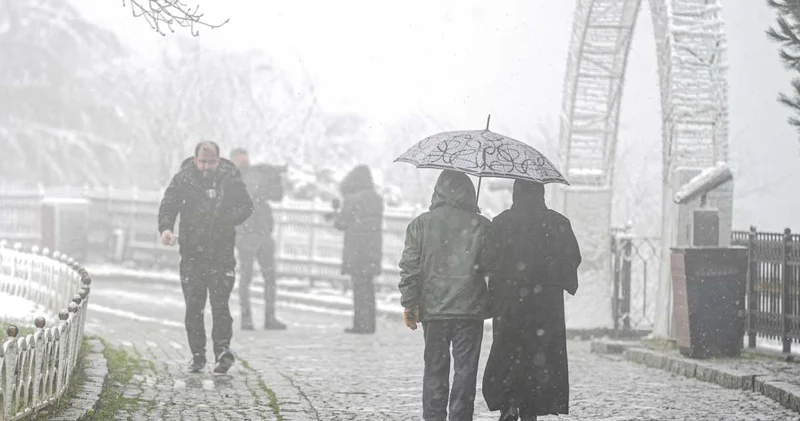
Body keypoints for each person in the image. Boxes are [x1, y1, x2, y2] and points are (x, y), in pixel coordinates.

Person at [482, 180, 581, 421]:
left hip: (509, 303)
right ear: (541, 193)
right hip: (545, 307)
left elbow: (486, 262)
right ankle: (531, 407)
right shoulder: (558, 223)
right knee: (539, 357)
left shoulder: (501, 223)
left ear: (515, 193)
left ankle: (510, 401)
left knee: (510, 353)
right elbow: (572, 260)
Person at [398, 170, 493, 421]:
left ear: (437, 191)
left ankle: (434, 417)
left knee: (435, 370)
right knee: (465, 371)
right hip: (469, 310)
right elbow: (491, 267)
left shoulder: (420, 224)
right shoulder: (482, 226)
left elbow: (410, 267)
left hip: (433, 309)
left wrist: (409, 304)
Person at [158, 141, 253, 374]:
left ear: (218, 160)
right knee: (194, 307)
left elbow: (246, 206)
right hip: (192, 253)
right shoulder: (183, 179)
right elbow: (168, 205)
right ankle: (198, 355)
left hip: (221, 253)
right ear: (194, 159)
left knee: (221, 305)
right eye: (202, 162)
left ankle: (222, 351)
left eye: (211, 162)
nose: (206, 167)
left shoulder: (230, 178)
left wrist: (226, 220)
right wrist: (166, 229)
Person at [229, 148, 286, 331]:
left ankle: (269, 318)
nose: (243, 161)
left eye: (245, 158)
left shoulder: (257, 175)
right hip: (246, 234)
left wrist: (275, 178)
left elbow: (276, 195)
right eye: (240, 159)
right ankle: (247, 318)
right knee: (247, 277)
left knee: (269, 277)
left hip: (261, 232)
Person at [325, 165, 384, 334]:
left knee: (359, 288)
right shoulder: (377, 199)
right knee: (368, 288)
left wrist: (335, 214)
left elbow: (342, 223)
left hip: (357, 249)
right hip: (373, 247)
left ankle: (359, 324)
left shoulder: (353, 199)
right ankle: (370, 324)